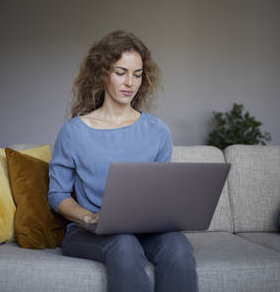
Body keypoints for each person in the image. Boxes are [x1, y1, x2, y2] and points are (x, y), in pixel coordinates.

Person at [48, 30, 198, 292]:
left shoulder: (158, 131)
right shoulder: (74, 131)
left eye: (137, 74)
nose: (130, 82)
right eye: (121, 72)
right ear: (102, 73)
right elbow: (57, 194)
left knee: (178, 246)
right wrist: (90, 217)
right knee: (124, 243)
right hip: (89, 232)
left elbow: (161, 191)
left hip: (146, 229)